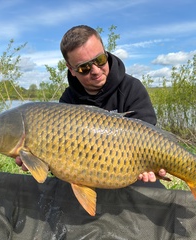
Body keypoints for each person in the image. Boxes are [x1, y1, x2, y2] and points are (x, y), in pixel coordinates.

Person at [16, 25, 166, 187]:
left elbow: (150, 140)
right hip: (87, 174)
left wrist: (150, 168)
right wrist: (38, 161)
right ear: (71, 69)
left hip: (130, 173)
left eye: (100, 60)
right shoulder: (68, 101)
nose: (95, 70)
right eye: (84, 67)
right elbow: (61, 158)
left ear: (105, 52)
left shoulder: (131, 88)